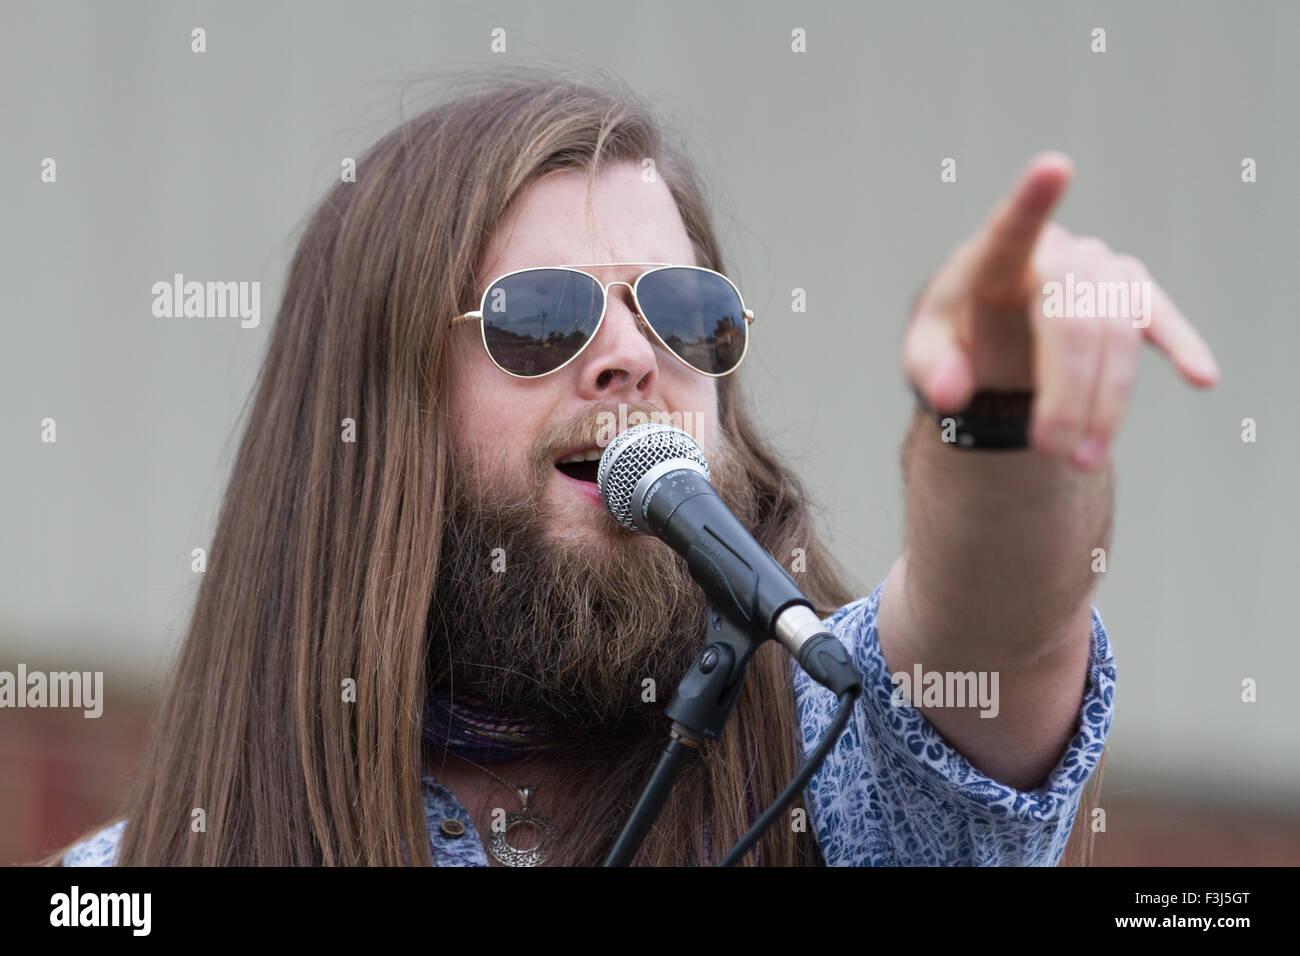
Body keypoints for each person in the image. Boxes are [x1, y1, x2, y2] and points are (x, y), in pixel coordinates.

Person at [51, 65, 1217, 867]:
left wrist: (996, 420)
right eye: (540, 316)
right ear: (377, 409)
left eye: (682, 310)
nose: (628, 356)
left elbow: (993, 625)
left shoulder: (835, 761)